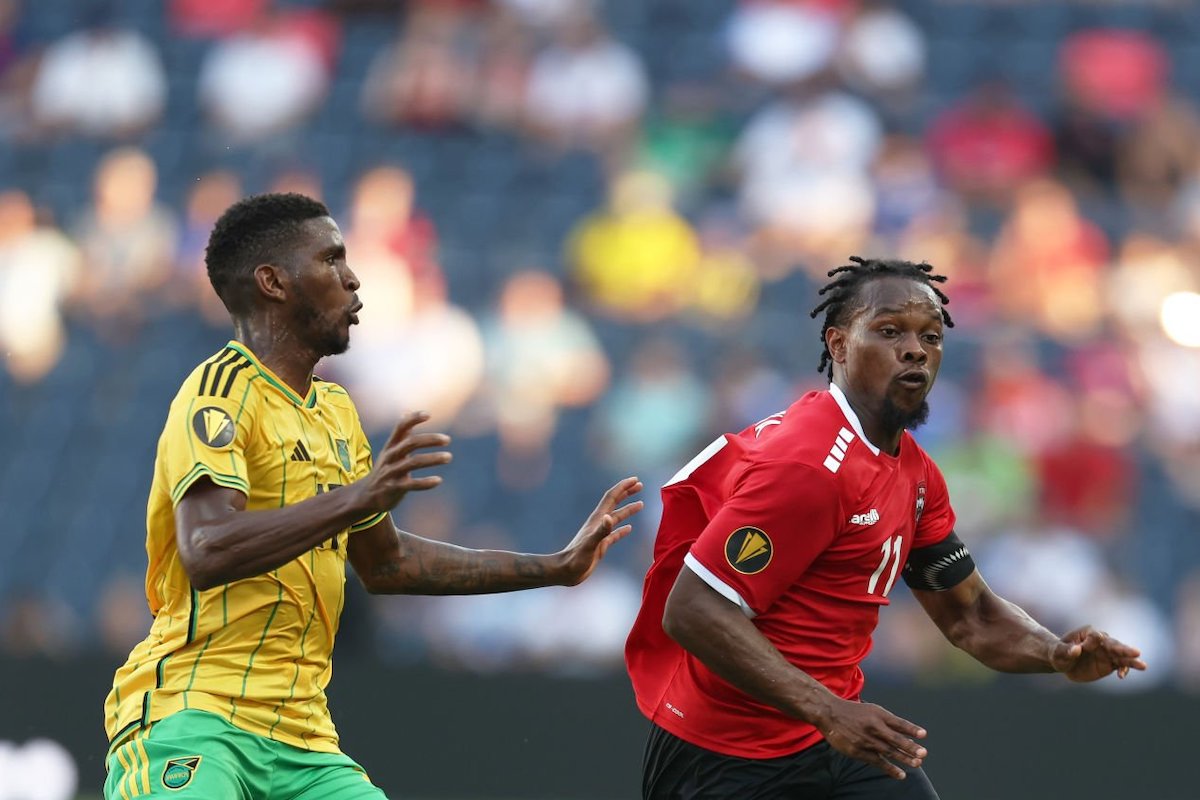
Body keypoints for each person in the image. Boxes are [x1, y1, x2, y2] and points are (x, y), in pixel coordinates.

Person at [102, 193, 643, 800]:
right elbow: (206, 548)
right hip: (194, 716)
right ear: (273, 282)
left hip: (303, 741)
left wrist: (553, 568)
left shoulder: (335, 411)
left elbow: (385, 563)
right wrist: (357, 499)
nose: (353, 278)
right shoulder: (219, 390)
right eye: (331, 260)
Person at [625, 256, 1145, 799]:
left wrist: (1056, 653)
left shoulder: (915, 471)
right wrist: (829, 710)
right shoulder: (810, 468)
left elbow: (969, 615)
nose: (916, 349)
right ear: (839, 345)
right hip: (726, 753)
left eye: (931, 336)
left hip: (833, 734)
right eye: (890, 330)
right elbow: (693, 609)